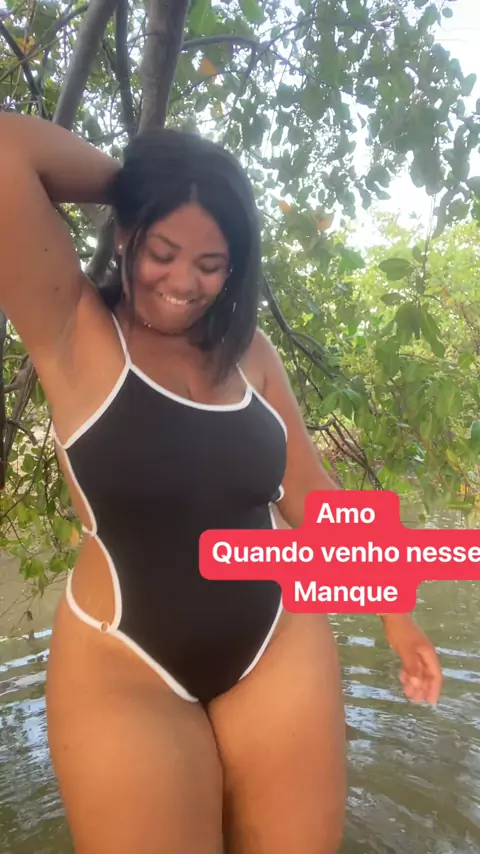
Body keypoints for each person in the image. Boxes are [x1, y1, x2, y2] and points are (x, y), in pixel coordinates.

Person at [0, 111, 443, 854]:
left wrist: (396, 611)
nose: (183, 283)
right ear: (125, 235)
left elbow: (309, 488)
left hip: (276, 643)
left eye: (211, 263)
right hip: (124, 664)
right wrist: (145, 185)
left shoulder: (250, 352)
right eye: (162, 251)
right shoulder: (72, 329)